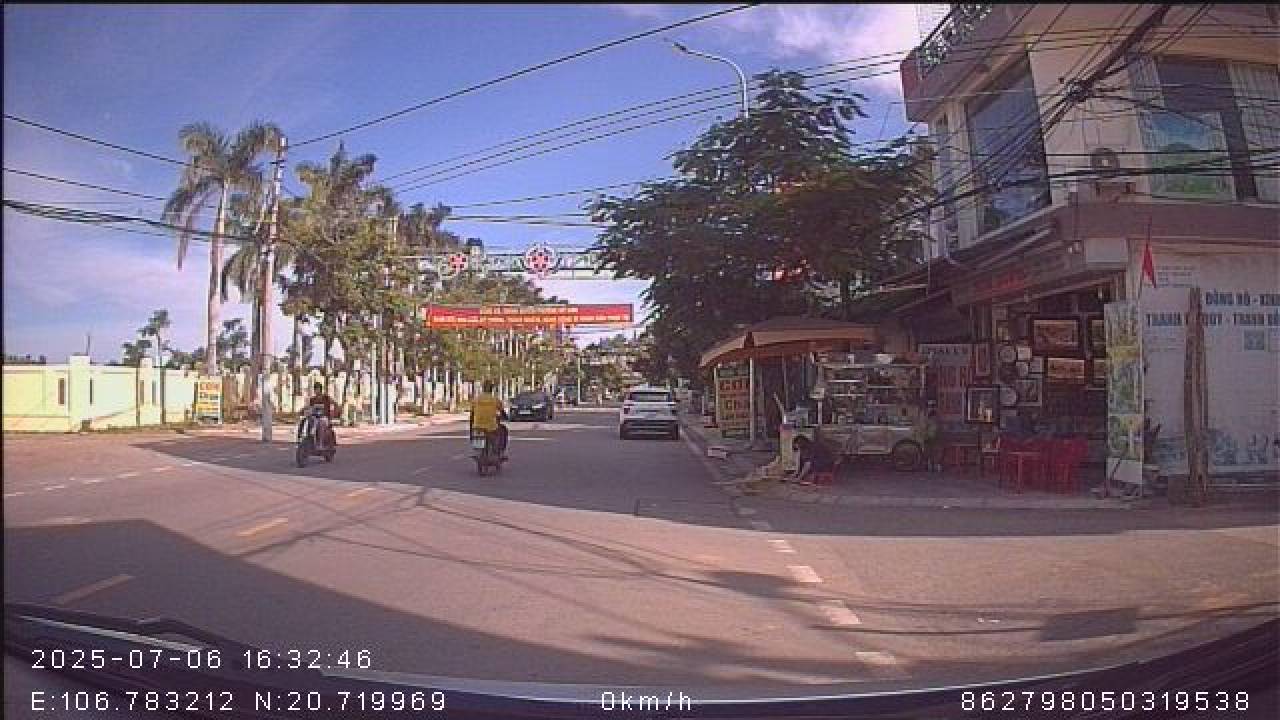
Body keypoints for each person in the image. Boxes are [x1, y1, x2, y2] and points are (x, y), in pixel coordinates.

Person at [470, 380, 509, 458]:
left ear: (483, 389)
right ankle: (500, 451)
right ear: (491, 389)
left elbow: (472, 415)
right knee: (503, 430)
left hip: (477, 426)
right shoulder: (495, 400)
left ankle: (479, 451)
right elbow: (502, 412)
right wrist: (505, 417)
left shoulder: (476, 400)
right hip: (491, 426)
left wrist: (471, 429)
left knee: (477, 436)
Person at [305, 382, 338, 448]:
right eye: (315, 389)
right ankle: (308, 440)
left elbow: (335, 404)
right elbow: (308, 407)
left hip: (324, 417)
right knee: (307, 421)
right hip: (315, 417)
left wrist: (334, 413)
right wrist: (303, 411)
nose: (316, 391)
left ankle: (320, 443)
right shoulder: (312, 399)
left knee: (321, 423)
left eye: (318, 389)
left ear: (320, 389)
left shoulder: (326, 398)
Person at [916, 405, 941, 472]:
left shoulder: (929, 418)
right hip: (930, 437)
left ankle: (931, 465)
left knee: (931, 451)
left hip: (930, 437)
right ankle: (932, 465)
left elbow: (924, 427)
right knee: (931, 451)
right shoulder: (931, 418)